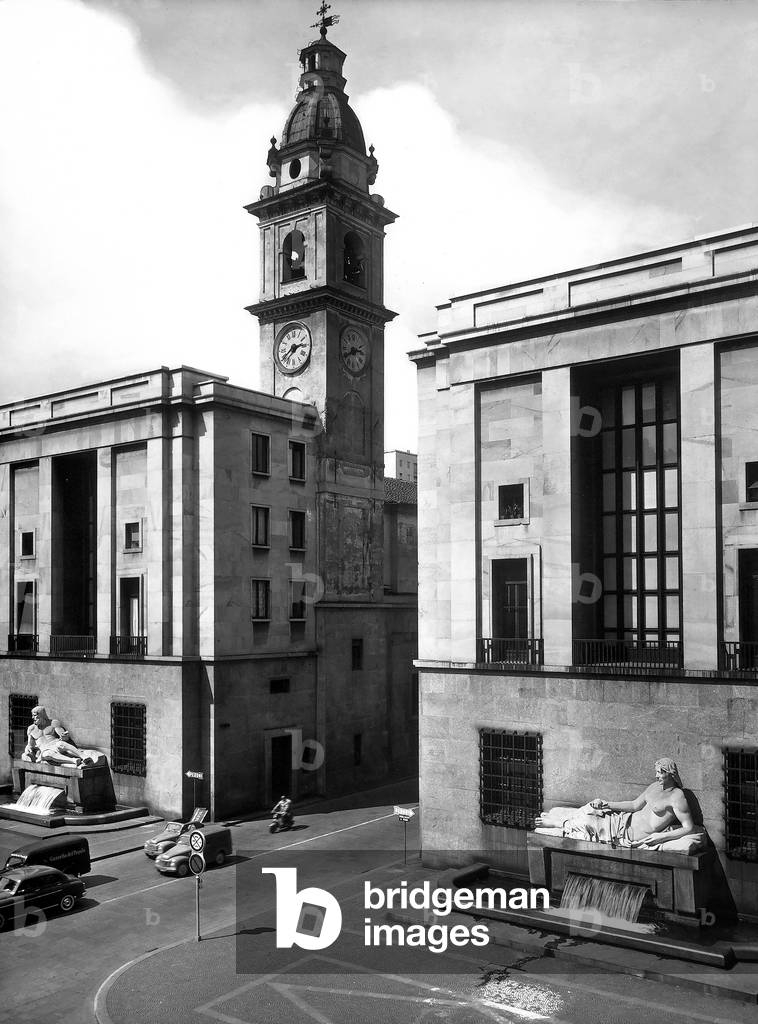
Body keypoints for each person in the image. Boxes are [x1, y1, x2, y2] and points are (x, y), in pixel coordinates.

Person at [535, 757, 696, 849]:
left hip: (630, 834)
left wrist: (661, 837)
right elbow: (634, 805)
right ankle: (563, 822)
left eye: (660, 773)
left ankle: (558, 824)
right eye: (656, 772)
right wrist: (608, 804)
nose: (656, 776)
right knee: (592, 810)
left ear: (671, 774)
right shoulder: (654, 787)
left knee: (589, 823)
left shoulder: (677, 797)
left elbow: (688, 827)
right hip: (624, 820)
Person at [22, 706, 106, 768]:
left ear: (42, 715)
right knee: (47, 754)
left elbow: (63, 735)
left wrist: (65, 736)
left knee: (60, 743)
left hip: (55, 745)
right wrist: (28, 749)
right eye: (32, 716)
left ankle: (83, 756)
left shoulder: (53, 723)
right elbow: (30, 745)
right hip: (45, 750)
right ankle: (73, 761)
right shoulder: (31, 729)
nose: (33, 718)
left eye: (35, 715)